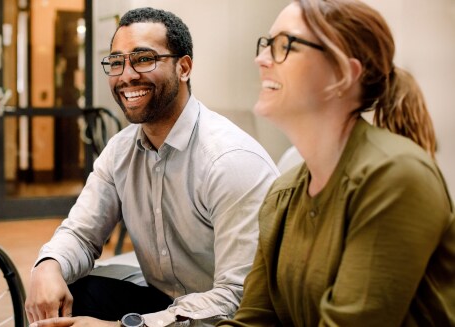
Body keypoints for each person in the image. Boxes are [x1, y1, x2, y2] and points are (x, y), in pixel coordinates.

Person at [24, 6, 279, 327]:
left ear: (184, 67)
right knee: (67, 294)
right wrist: (48, 265)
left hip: (229, 316)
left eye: (144, 59)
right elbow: (80, 233)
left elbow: (238, 297)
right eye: (116, 62)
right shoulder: (121, 150)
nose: (126, 75)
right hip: (169, 298)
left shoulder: (228, 160)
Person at [218, 0, 455, 326]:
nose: (260, 60)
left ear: (343, 74)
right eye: (265, 44)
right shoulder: (282, 194)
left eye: (284, 45)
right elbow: (254, 320)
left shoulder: (396, 176)